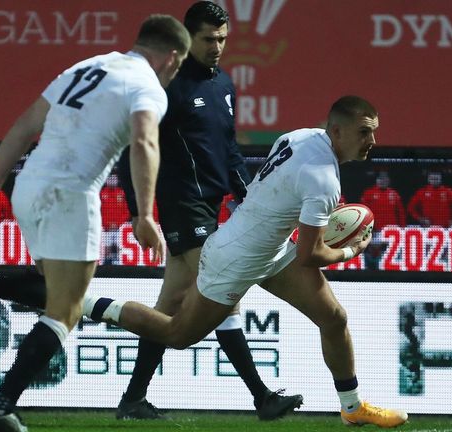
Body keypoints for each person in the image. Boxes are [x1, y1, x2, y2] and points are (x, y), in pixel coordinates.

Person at [75, 95, 407, 427]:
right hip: (232, 260)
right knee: (177, 333)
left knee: (333, 318)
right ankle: (81, 304)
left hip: (270, 251)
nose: (372, 142)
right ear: (337, 131)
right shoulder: (323, 181)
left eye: (373, 132)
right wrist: (352, 250)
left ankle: (352, 408)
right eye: (364, 133)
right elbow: (310, 255)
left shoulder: (299, 136)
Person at [0, 14, 190, 432]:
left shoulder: (86, 67)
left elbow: (25, 124)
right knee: (65, 311)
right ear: (172, 58)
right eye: (177, 69)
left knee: (57, 290)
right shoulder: (146, 85)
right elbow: (144, 142)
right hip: (70, 195)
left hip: (28, 187)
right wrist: (144, 215)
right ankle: (0, 407)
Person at [114, 1, 301, 420]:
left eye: (222, 39)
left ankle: (132, 399)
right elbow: (133, 150)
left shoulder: (225, 85)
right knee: (223, 291)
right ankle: (262, 397)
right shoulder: (167, 86)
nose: (217, 46)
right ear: (187, 37)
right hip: (180, 202)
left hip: (209, 206)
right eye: (208, 38)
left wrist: (247, 194)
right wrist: (136, 211)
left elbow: (229, 150)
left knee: (171, 304)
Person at [99, 172, 131, 264]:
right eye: (110, 178)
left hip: (119, 228)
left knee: (119, 244)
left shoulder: (121, 193)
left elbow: (127, 210)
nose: (112, 181)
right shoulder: (102, 193)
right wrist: (107, 224)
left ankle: (118, 260)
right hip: (106, 228)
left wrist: (118, 224)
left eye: (114, 178)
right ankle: (106, 261)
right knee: (106, 245)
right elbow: (99, 211)